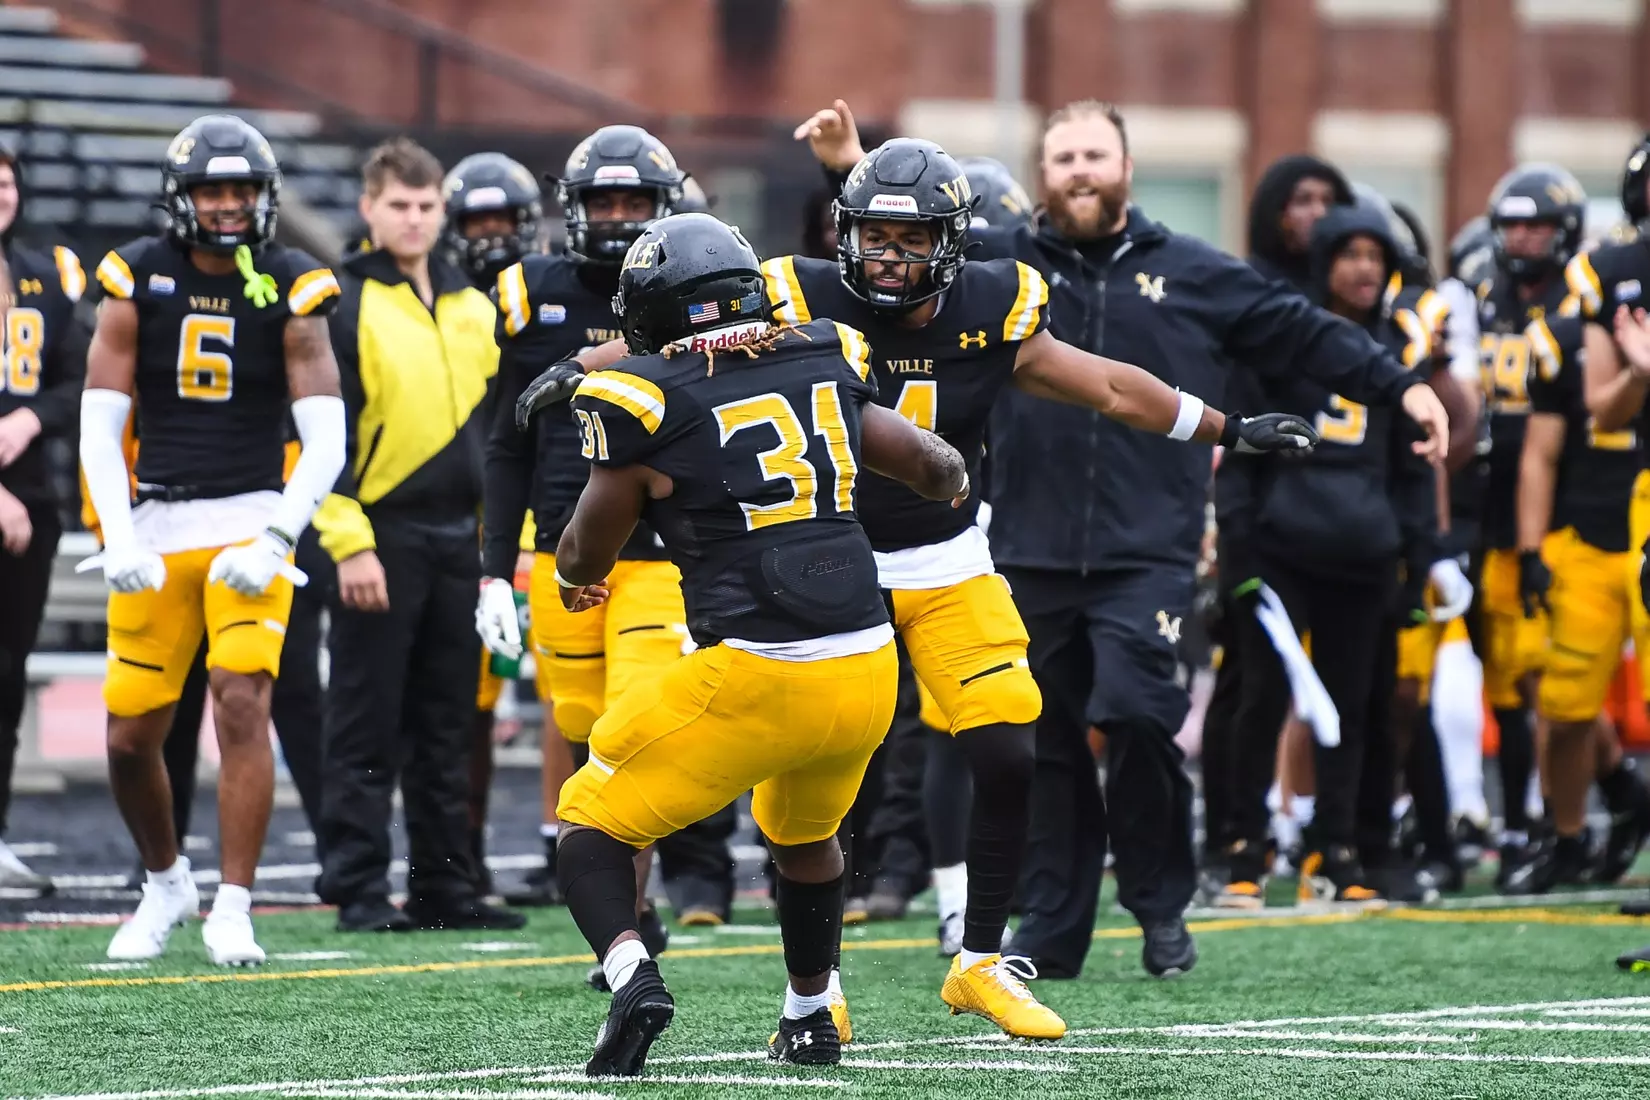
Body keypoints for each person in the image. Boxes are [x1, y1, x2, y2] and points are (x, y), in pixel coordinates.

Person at [791, 98, 1448, 981]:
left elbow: (1293, 329)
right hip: (1023, 539)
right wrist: (851, 164)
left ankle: (1158, 901)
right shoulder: (999, 264)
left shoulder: (1194, 271)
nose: (1078, 170)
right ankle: (1053, 926)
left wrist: (1399, 383)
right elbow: (892, 251)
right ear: (1042, 170)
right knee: (1045, 740)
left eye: (1095, 153)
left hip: (1148, 545)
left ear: (1127, 165)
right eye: (1061, 156)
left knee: (1138, 717)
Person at [79, 114, 346, 964]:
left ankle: (235, 900)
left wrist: (275, 539)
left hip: (248, 522)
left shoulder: (292, 282)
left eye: (243, 190)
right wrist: (117, 535)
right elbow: (98, 424)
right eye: (212, 189)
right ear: (181, 196)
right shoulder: (137, 275)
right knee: (128, 737)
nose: (229, 205)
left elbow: (328, 437)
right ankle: (165, 881)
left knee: (242, 700)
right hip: (157, 524)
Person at [477, 125, 734, 941]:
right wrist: (493, 570)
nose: (620, 216)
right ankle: (630, 900)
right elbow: (506, 441)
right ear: (574, 208)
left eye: (635, 201)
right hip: (564, 551)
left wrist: (590, 364)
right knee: (583, 723)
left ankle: (625, 921)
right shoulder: (529, 292)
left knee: (631, 727)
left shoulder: (692, 282)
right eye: (604, 201)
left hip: (660, 554)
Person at [311, 137, 521, 933]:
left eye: (427, 206)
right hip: (377, 533)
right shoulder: (344, 299)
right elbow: (316, 435)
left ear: (444, 211)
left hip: (457, 539)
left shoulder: (475, 304)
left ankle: (445, 888)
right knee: (366, 722)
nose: (414, 219)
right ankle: (358, 888)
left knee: (447, 721)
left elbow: (499, 434)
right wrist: (347, 537)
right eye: (398, 204)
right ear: (369, 208)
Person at [1223, 203, 1444, 901]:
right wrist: (1239, 552)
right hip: (1283, 547)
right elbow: (1242, 456)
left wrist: (1418, 560)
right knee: (1260, 700)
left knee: (1352, 706)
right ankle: (1241, 849)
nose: (1365, 269)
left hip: (1363, 552)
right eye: (1350, 256)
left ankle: (1335, 849)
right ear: (1322, 265)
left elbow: (1413, 472)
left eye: (1375, 258)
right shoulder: (1282, 342)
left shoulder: (1397, 353)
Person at [440, 150, 545, 894]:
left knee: (566, 697)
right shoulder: (437, 299)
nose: (489, 236)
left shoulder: (546, 292)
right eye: (475, 221)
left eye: (502, 221)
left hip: (546, 519)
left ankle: (569, 846)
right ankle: (460, 851)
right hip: (463, 521)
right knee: (468, 699)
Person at [1518, 305, 1650, 892]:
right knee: (1564, 708)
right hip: (1587, 537)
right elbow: (1540, 453)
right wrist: (1529, 551)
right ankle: (1568, 836)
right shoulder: (1564, 341)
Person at [0, 141, 87, 894]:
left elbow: (79, 376)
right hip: (9, 500)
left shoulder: (48, 271)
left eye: (4, 181)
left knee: (5, 674)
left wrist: (29, 421)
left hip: (31, 498)